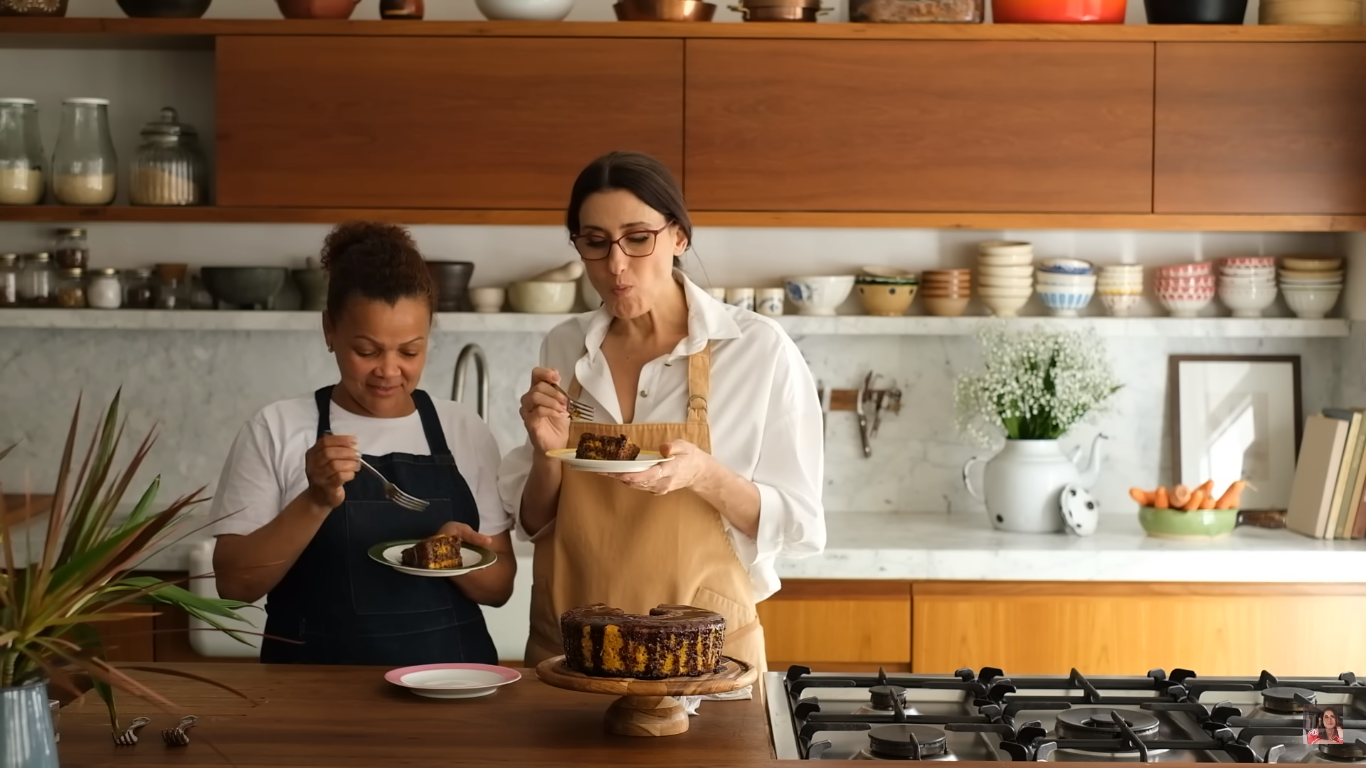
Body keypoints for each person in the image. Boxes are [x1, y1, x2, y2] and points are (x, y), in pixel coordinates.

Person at [498, 150, 826, 672]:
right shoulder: (565, 347)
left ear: (678, 236)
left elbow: (802, 526)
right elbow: (537, 523)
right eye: (595, 242)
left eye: (638, 237)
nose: (616, 265)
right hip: (573, 658)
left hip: (707, 665)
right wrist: (545, 454)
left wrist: (704, 474)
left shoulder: (756, 351)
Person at [209, 221, 515, 666]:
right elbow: (233, 586)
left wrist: (458, 557)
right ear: (329, 330)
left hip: (448, 687)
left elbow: (501, 586)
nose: (389, 370)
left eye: (409, 351)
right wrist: (314, 500)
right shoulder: (276, 427)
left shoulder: (463, 428)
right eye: (368, 351)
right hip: (310, 698)